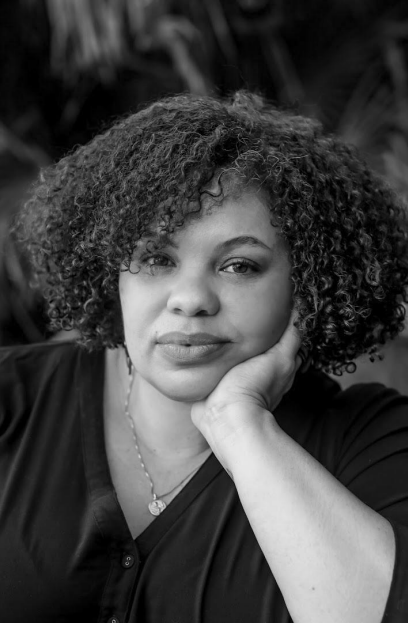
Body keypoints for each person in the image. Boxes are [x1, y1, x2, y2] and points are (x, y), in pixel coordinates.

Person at [1, 91, 408, 623]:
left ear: (308, 284)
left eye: (239, 265)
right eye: (156, 258)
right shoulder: (13, 399)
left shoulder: (371, 442)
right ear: (111, 272)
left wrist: (240, 424)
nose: (190, 299)